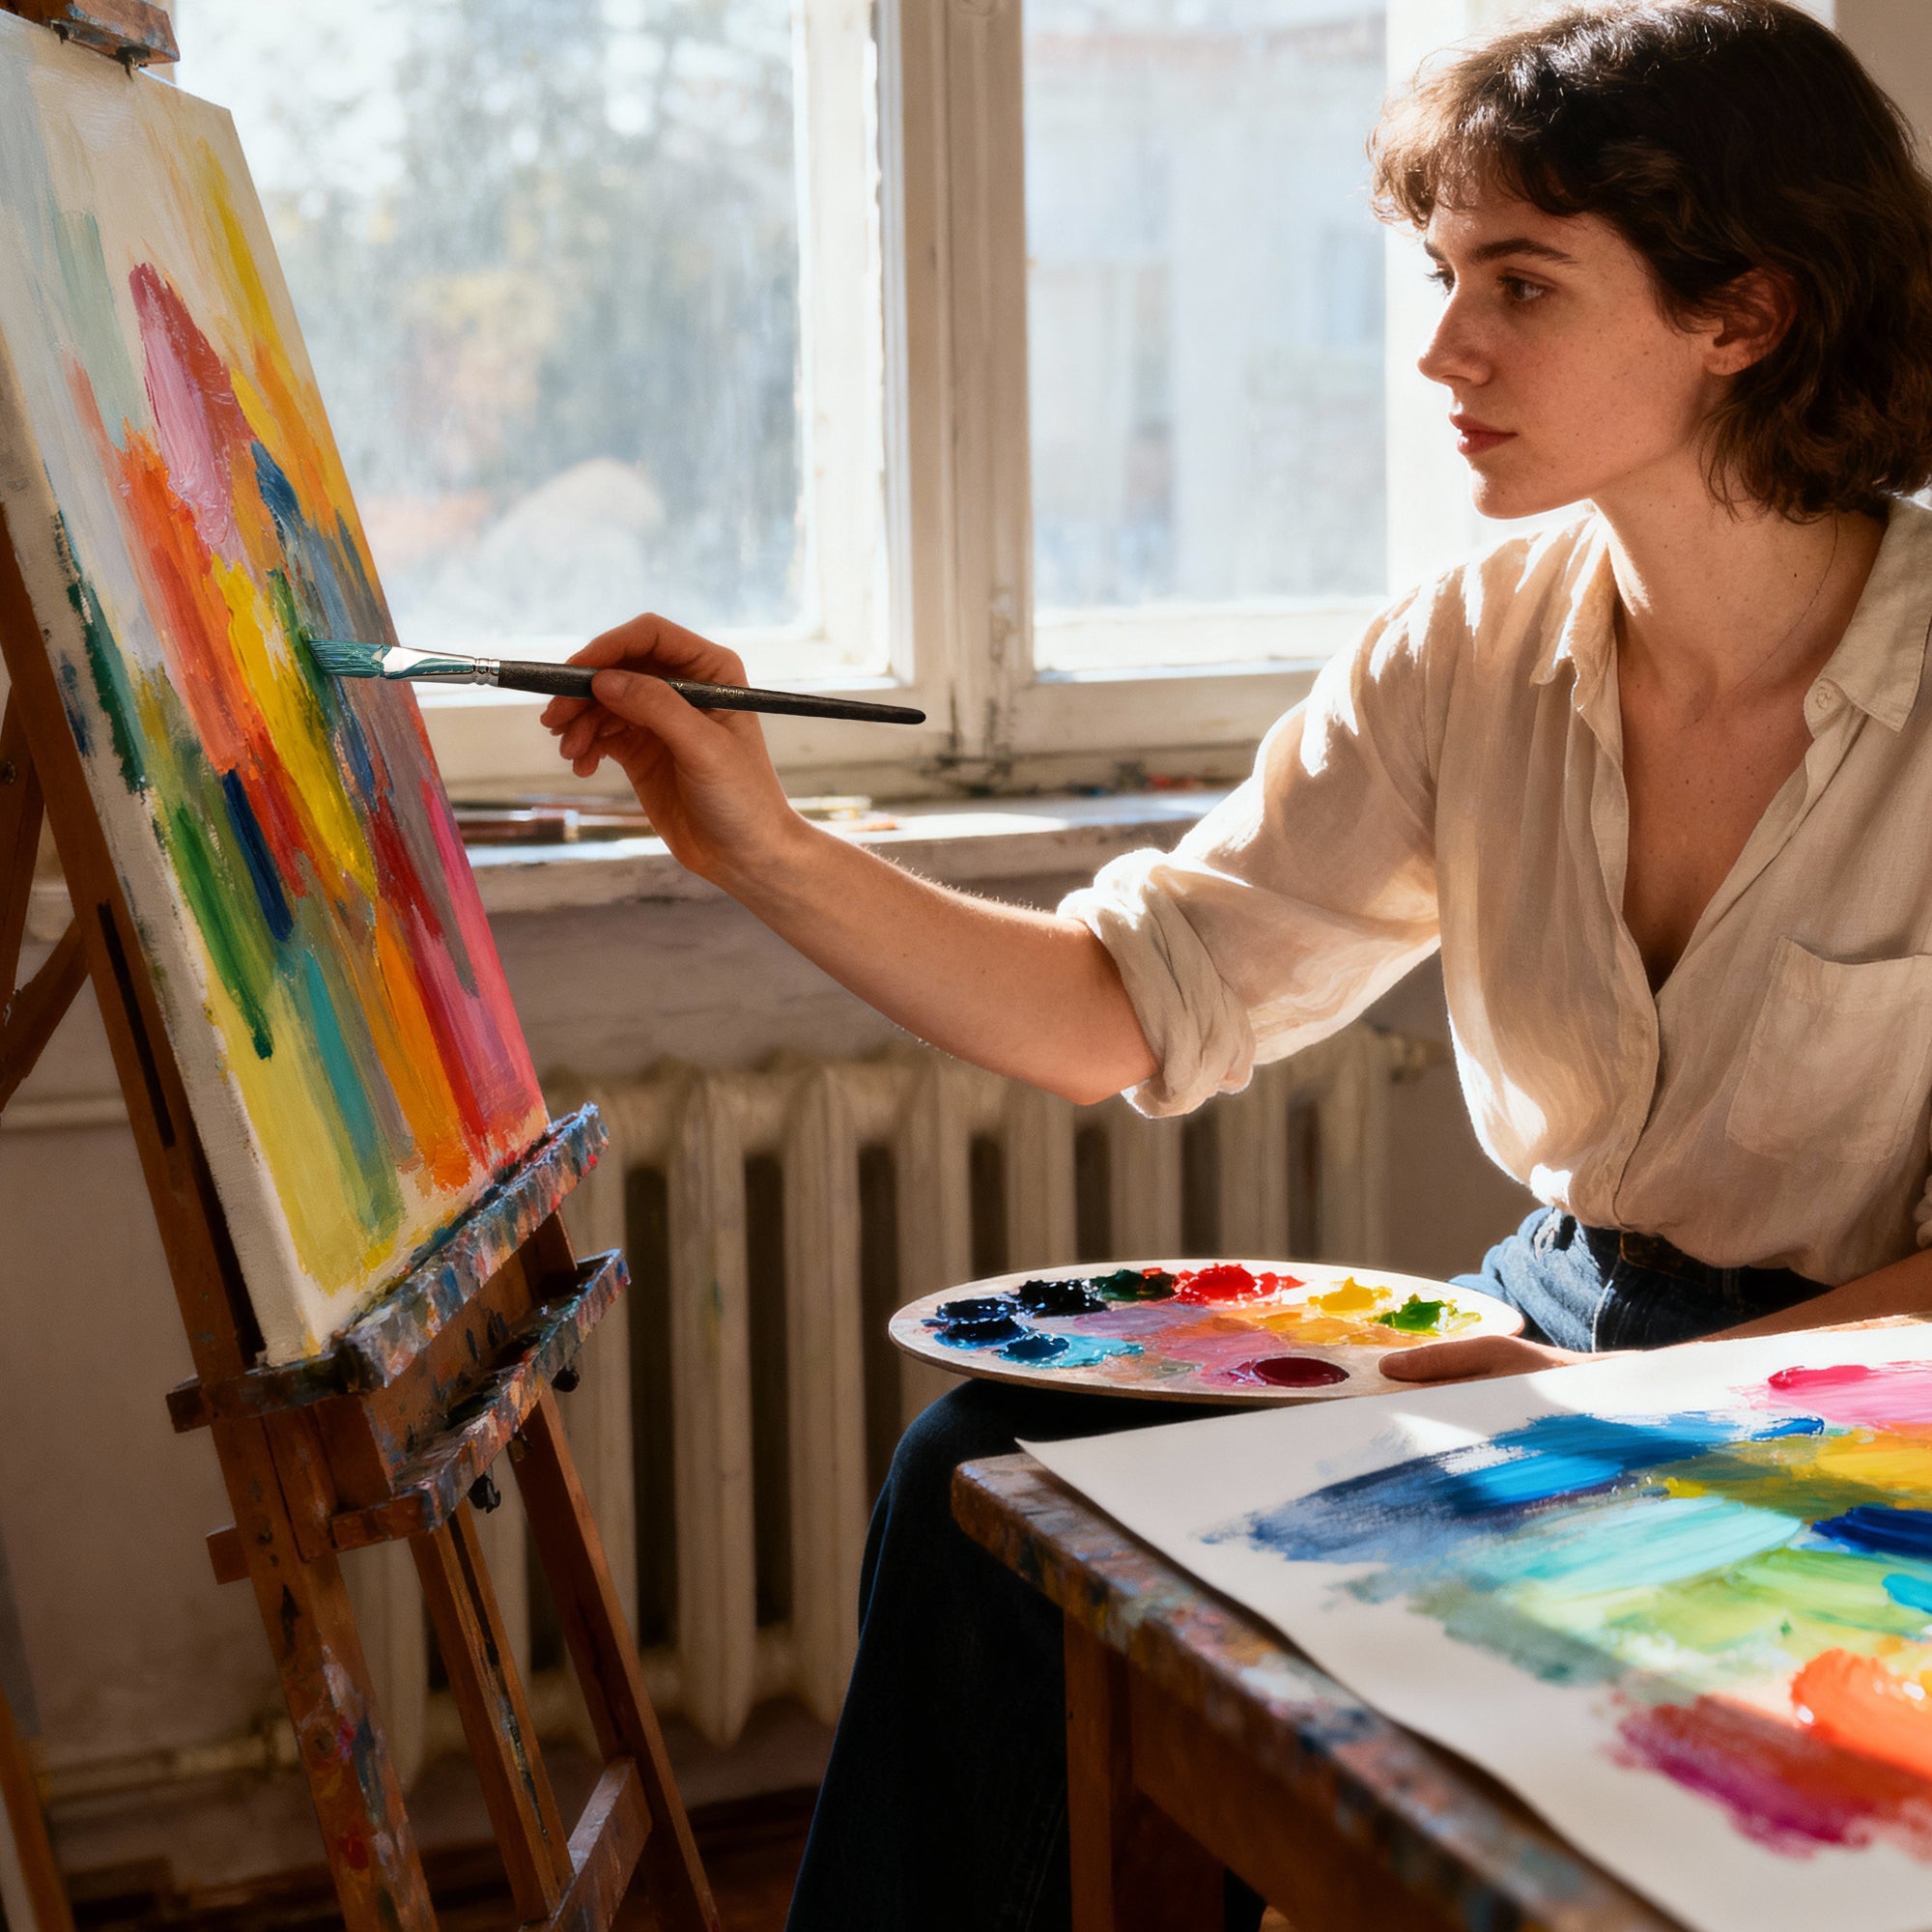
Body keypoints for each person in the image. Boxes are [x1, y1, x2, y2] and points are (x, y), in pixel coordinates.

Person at [543, 2, 1932, 1924]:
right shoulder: (1461, 648)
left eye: (1517, 284)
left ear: (1744, 315)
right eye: (1443, 275)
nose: (1441, 348)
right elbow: (1125, 1002)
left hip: (1857, 1395)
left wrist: (1581, 1424)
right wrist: (760, 845)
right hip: (1549, 1327)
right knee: (992, 1464)